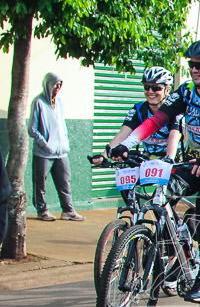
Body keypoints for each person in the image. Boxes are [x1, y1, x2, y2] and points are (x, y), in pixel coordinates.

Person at [110, 38, 200, 303]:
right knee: (163, 199)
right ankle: (180, 259)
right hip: (194, 161)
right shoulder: (184, 92)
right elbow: (155, 121)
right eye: (191, 65)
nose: (194, 70)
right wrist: (125, 145)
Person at [28, 73, 84, 221]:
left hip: (61, 152)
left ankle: (68, 211)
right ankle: (42, 211)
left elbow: (61, 125)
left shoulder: (58, 102)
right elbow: (32, 129)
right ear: (48, 84)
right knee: (40, 184)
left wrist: (65, 142)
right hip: (44, 153)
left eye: (60, 85)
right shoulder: (38, 102)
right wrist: (44, 144)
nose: (57, 88)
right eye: (55, 84)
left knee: (65, 182)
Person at [97, 67, 181, 161]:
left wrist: (169, 159)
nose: (150, 92)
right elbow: (122, 135)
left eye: (156, 88)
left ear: (167, 90)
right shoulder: (139, 110)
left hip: (174, 159)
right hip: (147, 159)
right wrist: (104, 156)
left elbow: (174, 137)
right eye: (147, 87)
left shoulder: (175, 109)